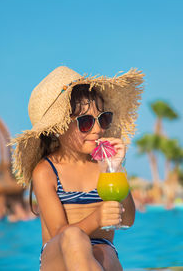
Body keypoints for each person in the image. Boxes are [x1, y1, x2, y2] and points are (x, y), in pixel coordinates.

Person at [10, 66, 144, 271]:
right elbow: (59, 234)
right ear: (58, 128)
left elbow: (127, 219)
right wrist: (97, 217)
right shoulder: (46, 172)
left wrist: (115, 168)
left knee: (106, 252)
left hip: (101, 250)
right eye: (86, 122)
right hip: (58, 255)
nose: (98, 129)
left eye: (103, 119)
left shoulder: (103, 165)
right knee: (73, 237)